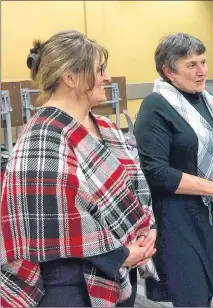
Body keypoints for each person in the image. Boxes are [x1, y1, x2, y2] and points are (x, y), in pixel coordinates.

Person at [0, 30, 158, 307]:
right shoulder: (42, 136)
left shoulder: (106, 128)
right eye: (100, 69)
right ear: (69, 77)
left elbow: (135, 183)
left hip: (123, 267)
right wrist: (120, 255)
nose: (108, 77)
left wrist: (147, 229)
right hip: (73, 285)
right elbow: (55, 222)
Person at [134, 33, 213, 307]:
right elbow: (155, 172)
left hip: (207, 214)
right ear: (168, 71)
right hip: (176, 218)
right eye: (191, 65)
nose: (202, 71)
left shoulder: (206, 100)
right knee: (190, 295)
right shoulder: (155, 106)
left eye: (203, 62)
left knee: (204, 291)